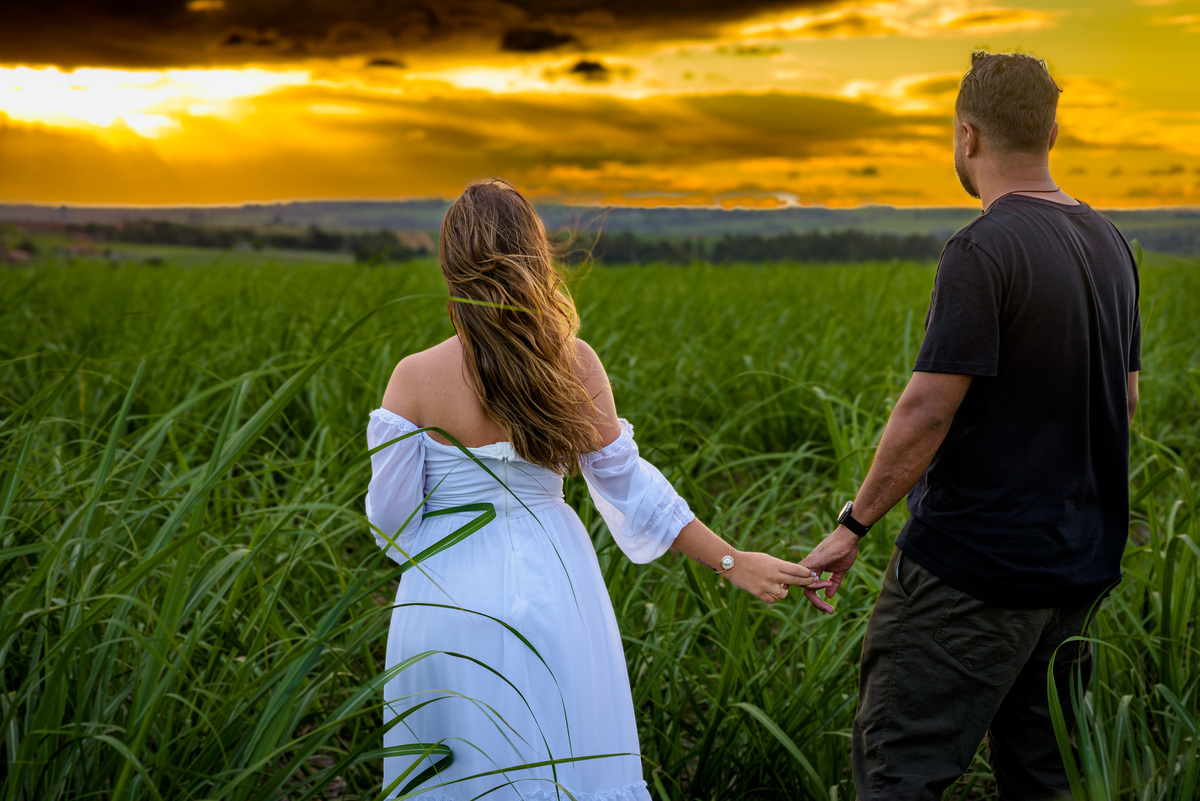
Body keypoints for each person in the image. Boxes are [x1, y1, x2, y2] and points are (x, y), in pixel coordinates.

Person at [365, 180, 823, 800]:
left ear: (448, 267)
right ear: (536, 258)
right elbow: (633, 489)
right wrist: (731, 560)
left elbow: (389, 526)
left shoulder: (413, 378)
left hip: (443, 598)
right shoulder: (572, 363)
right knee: (563, 765)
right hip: (553, 585)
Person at [799, 50, 1141, 800]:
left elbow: (927, 409)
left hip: (971, 574)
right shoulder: (1111, 244)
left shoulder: (981, 247)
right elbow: (1126, 400)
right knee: (1046, 779)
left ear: (967, 137)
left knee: (900, 771)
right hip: (1075, 574)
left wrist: (852, 525)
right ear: (1051, 132)